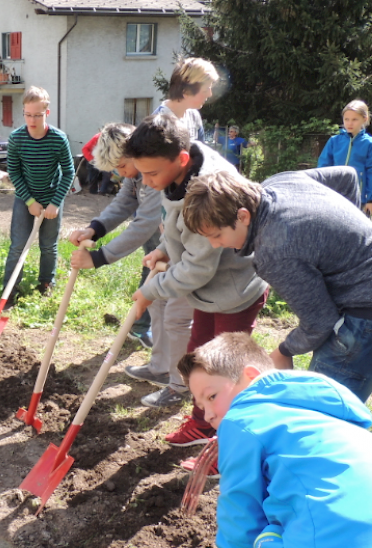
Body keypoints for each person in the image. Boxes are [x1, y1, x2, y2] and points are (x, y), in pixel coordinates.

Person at [179, 332, 372, 548]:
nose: (209, 414)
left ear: (250, 377)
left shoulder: (241, 420)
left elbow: (239, 517)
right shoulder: (326, 416)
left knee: (267, 536)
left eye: (212, 396)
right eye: (201, 406)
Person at [182, 167, 372, 403]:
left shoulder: (274, 251)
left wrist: (284, 351)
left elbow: (320, 322)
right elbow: (347, 176)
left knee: (319, 410)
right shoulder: (280, 181)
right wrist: (345, 240)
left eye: (216, 235)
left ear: (243, 216)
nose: (214, 245)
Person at [124, 113, 268, 442]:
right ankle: (203, 425)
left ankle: (229, 441)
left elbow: (197, 267)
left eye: (152, 173)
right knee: (198, 360)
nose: (146, 181)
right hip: (208, 290)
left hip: (235, 289)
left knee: (224, 372)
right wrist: (164, 248)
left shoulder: (207, 192)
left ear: (182, 160)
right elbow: (178, 227)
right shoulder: (176, 165)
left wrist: (152, 290)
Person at [69, 124, 189, 403]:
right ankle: (159, 367)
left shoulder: (151, 172)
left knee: (176, 315)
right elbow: (124, 201)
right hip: (166, 245)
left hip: (184, 247)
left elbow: (145, 223)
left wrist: (99, 257)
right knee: (158, 304)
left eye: (123, 166)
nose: (121, 174)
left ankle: (179, 384)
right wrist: (94, 229)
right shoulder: (135, 174)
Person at [3, 86, 75, 303]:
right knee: (18, 245)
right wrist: (29, 201)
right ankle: (9, 291)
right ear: (23, 112)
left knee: (48, 246)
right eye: (27, 115)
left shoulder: (58, 139)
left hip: (52, 197)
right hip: (26, 198)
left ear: (47, 113)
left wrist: (55, 202)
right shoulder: (17, 138)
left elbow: (69, 171)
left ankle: (46, 283)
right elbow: (14, 171)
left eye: (37, 115)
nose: (32, 120)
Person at [318, 99, 372, 215]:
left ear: (365, 119)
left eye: (354, 119)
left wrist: (371, 199)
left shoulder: (370, 144)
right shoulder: (334, 141)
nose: (349, 123)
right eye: (346, 119)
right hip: (334, 195)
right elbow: (323, 168)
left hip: (358, 198)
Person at [152, 57, 219, 142]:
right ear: (186, 92)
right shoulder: (158, 125)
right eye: (205, 90)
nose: (210, 94)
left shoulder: (194, 116)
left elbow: (201, 152)